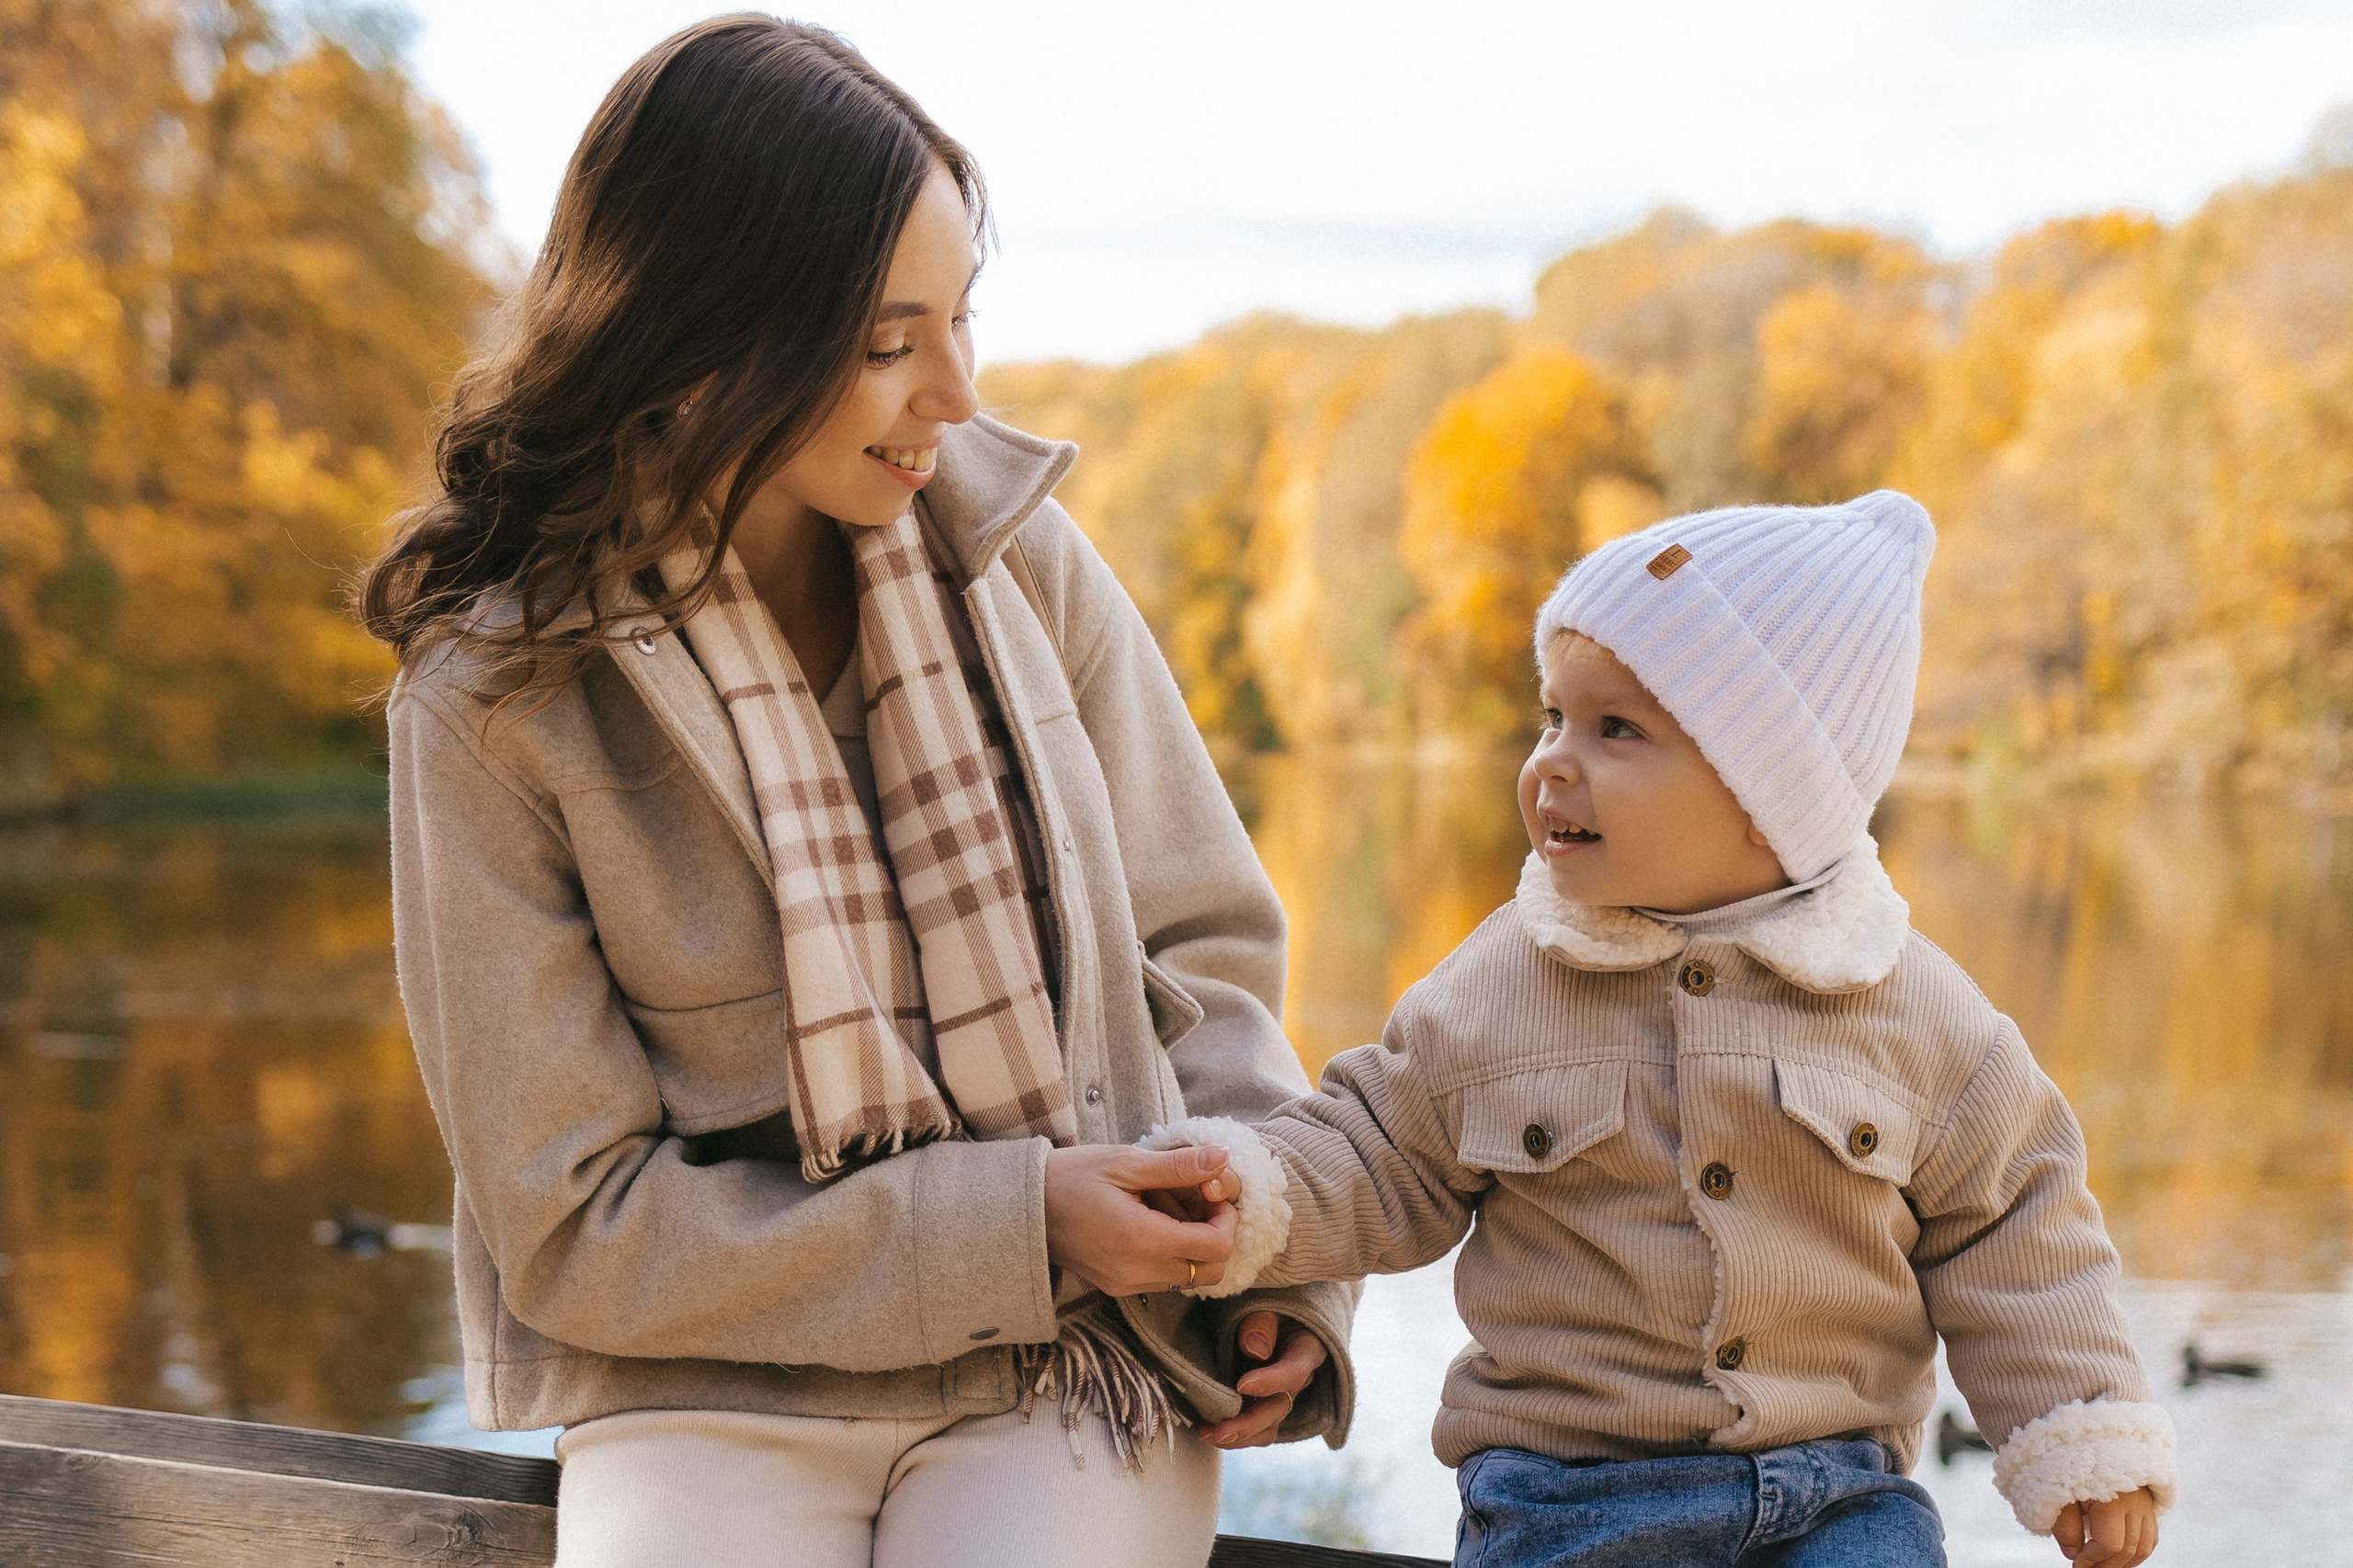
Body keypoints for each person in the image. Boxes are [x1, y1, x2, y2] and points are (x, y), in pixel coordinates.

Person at [358, 17, 1354, 1568]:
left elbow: (1207, 960)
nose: (953, 393)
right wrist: (1012, 1220)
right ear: (698, 340)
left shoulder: (1022, 563)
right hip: (704, 1389)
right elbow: (570, 1225)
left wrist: (1287, 1254)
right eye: (889, 344)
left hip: (1072, 1364)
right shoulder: (497, 699)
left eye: (963, 319)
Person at [1155, 494, 2174, 1566]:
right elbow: (1374, 1150)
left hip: (1836, 1492)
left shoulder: (1915, 1010)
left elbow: (2018, 1229)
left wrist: (2081, 1432)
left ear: (1767, 793)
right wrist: (1248, 1195)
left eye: (1615, 729)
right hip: (1566, 1495)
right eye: (1553, 716)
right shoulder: (1505, 979)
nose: (1552, 760)